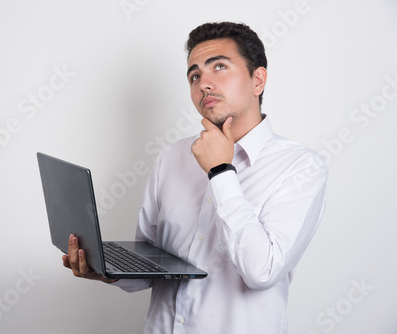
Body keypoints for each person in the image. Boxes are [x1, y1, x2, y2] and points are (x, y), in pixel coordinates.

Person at [63, 21, 328, 333]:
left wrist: (220, 172)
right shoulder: (172, 156)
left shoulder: (300, 166)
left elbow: (263, 272)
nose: (204, 83)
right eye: (195, 75)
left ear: (258, 80)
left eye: (219, 66)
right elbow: (152, 265)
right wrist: (107, 270)